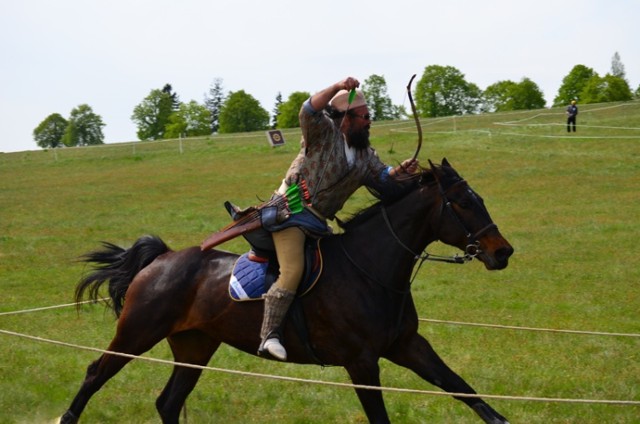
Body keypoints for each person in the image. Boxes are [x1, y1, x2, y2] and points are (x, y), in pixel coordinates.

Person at [258, 76, 419, 361]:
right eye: (365, 116)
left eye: (371, 116)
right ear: (346, 117)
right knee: (292, 271)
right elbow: (307, 110)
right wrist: (336, 87)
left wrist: (400, 172)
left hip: (319, 223)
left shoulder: (365, 153)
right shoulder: (323, 133)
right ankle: (269, 335)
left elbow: (381, 176)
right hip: (290, 214)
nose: (370, 121)